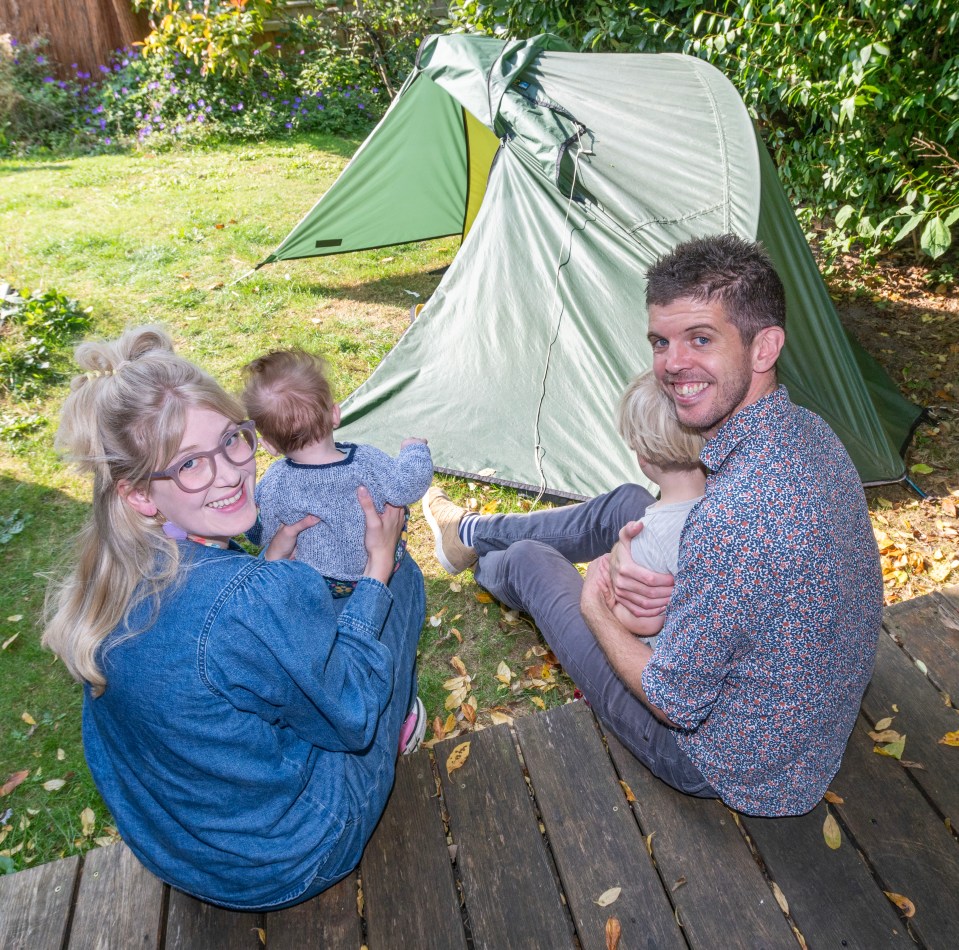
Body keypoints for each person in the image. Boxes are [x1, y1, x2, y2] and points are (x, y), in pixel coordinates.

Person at [423, 233, 883, 817]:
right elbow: (734, 561)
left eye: (701, 339)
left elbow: (674, 700)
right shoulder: (807, 433)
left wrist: (596, 599)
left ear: (764, 347)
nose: (671, 365)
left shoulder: (733, 518)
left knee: (535, 563)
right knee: (629, 503)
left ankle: (483, 554)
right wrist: (683, 580)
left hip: (721, 759)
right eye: (660, 341)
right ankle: (470, 534)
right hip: (803, 714)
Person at [43, 326, 427, 911]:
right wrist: (376, 572)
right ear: (141, 494)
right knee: (403, 582)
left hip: (179, 848)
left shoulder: (106, 575)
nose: (228, 473)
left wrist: (267, 576)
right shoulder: (250, 601)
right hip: (294, 854)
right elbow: (349, 718)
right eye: (190, 464)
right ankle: (402, 714)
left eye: (232, 440)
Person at [241, 348, 433, 597]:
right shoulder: (366, 461)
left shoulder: (275, 480)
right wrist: (415, 450)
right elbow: (409, 484)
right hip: (378, 565)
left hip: (317, 580)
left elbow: (259, 533)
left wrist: (247, 503)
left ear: (270, 445)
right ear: (335, 414)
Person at [592, 368, 706, 639]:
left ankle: (486, 556)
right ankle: (479, 535)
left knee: (524, 558)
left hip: (650, 661)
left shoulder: (651, 533)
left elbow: (646, 622)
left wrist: (610, 606)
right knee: (627, 495)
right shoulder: (724, 493)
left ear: (643, 455)